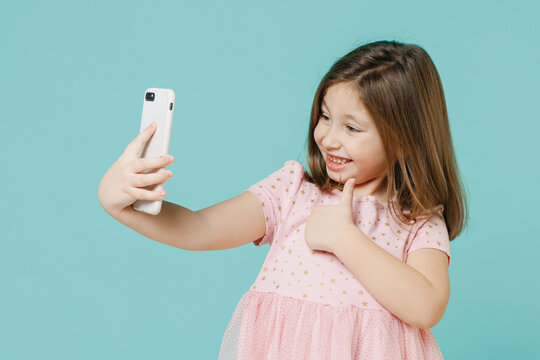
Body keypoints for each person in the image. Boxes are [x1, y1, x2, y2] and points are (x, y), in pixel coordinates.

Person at [98, 40, 468, 359]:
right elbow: (201, 228)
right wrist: (121, 206)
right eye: (324, 116)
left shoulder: (417, 220)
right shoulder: (293, 191)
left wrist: (345, 238)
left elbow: (426, 305)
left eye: (352, 128)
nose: (328, 137)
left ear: (404, 139)